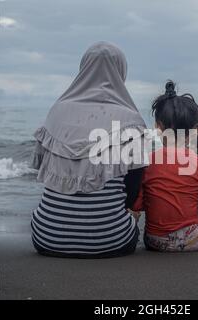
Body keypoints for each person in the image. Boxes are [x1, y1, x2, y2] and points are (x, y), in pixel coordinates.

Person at [30, 42, 147, 258]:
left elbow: (40, 169)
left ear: (83, 68)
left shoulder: (56, 112)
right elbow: (131, 193)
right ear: (121, 71)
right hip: (112, 240)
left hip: (46, 236)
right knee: (130, 218)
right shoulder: (131, 120)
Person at [132, 81, 198, 252]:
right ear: (196, 130)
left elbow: (137, 206)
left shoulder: (146, 162)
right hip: (194, 240)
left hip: (154, 241)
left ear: (157, 127)